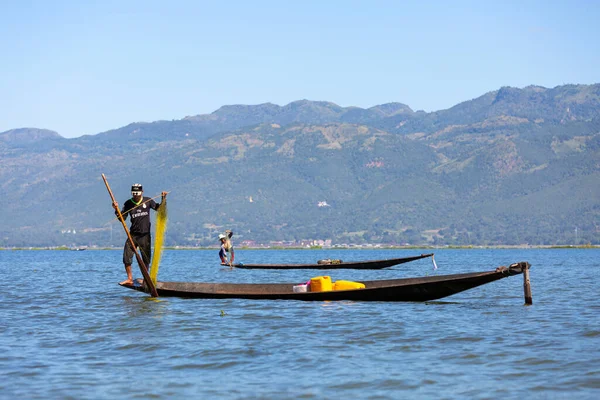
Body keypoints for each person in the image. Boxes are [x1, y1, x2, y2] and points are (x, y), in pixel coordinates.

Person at [112, 183, 167, 285]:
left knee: (146, 258)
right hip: (133, 235)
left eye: (137, 193)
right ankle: (129, 278)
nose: (136, 196)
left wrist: (163, 198)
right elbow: (122, 218)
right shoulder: (128, 203)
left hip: (145, 235)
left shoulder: (148, 201)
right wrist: (116, 209)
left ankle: (146, 279)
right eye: (134, 194)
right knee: (126, 257)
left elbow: (159, 209)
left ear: (142, 192)